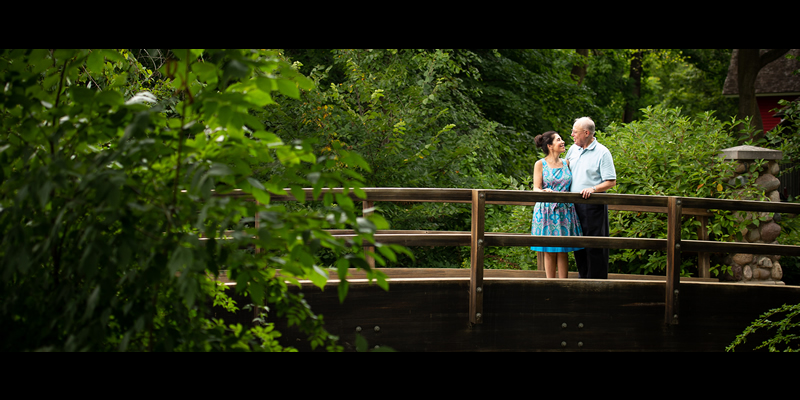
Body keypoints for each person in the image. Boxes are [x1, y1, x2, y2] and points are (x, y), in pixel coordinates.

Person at [565, 117, 617, 279]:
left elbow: (611, 181)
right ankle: (583, 278)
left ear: (586, 133)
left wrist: (593, 189)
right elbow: (564, 171)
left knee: (595, 244)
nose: (572, 134)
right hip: (574, 203)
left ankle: (597, 282)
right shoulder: (573, 149)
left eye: (575, 131)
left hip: (592, 204)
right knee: (577, 243)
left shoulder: (602, 152)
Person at [531, 131, 583, 278]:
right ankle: (550, 285)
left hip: (565, 210)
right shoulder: (540, 164)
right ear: (550, 146)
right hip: (547, 210)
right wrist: (544, 192)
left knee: (563, 250)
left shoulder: (566, 163)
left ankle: (563, 284)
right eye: (559, 140)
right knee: (549, 250)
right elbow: (536, 187)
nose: (563, 142)